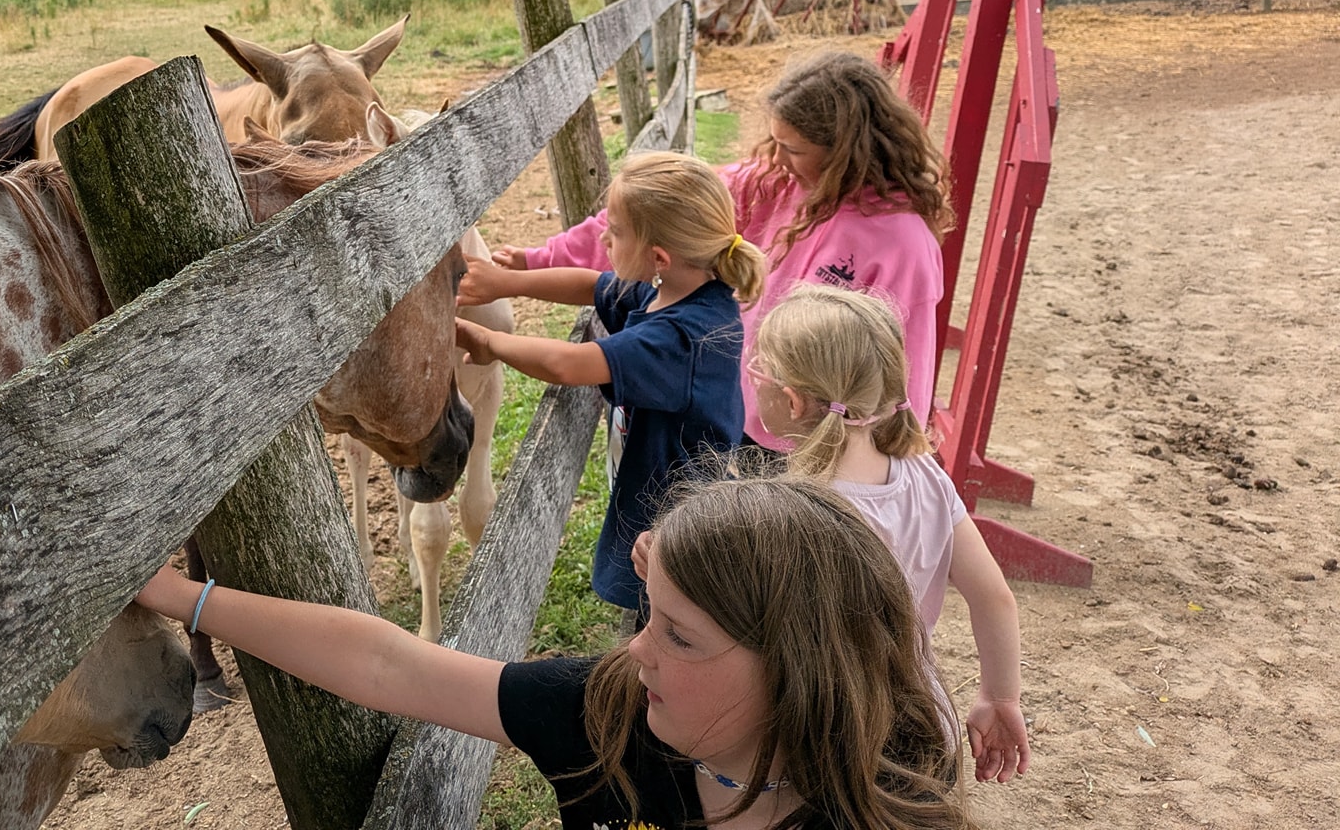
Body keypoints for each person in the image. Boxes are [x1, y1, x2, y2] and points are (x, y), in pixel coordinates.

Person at [135, 478, 972, 830]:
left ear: (802, 670)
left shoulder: (888, 798)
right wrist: (185, 599)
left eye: (677, 634)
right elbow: (391, 667)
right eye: (653, 615)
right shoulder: (609, 716)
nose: (636, 651)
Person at [495, 51, 951, 449]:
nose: (778, 157)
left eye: (792, 148)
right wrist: (539, 258)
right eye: (774, 143)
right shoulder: (776, 182)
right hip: (744, 420)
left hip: (811, 449)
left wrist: (885, 458)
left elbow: (903, 369)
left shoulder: (901, 243)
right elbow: (652, 210)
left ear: (846, 149)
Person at [454, 150, 763, 617]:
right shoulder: (675, 289)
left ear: (658, 257)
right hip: (662, 502)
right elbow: (590, 284)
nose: (602, 237)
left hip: (680, 528)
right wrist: (509, 283)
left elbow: (568, 364)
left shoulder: (681, 339)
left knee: (667, 618)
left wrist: (491, 342)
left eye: (615, 231)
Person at [748, 284, 1029, 784]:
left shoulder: (797, 511)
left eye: (757, 372)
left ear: (791, 401)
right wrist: (1000, 698)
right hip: (924, 729)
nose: (752, 381)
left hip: (835, 741)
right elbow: (995, 598)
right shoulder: (923, 471)